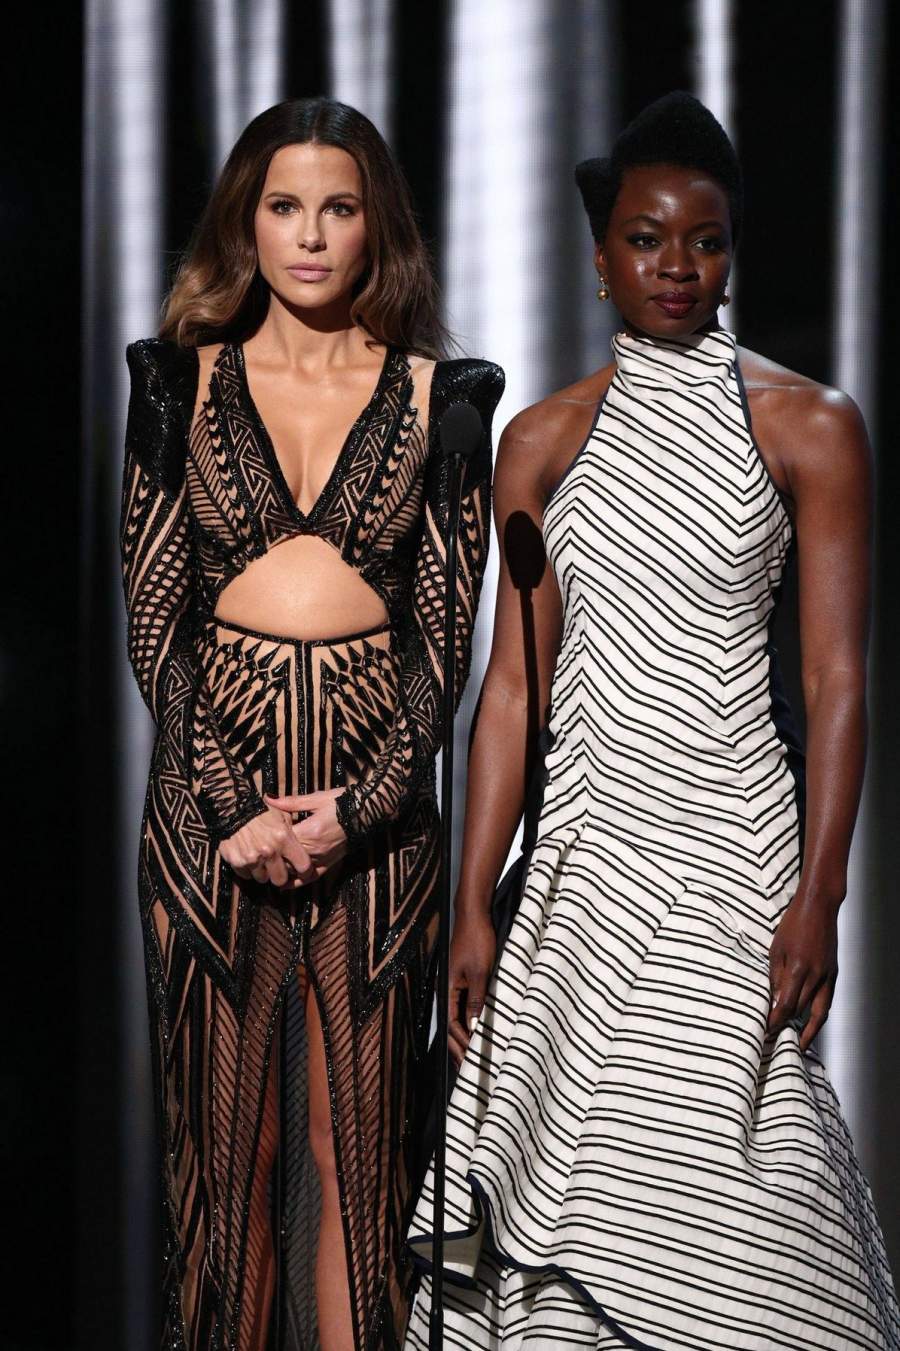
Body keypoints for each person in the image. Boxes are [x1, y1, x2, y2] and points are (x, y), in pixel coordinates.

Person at [405, 92, 900, 1350]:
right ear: (600, 255)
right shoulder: (540, 440)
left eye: (705, 239)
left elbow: (838, 675)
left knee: (746, 1189)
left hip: (736, 854)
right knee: (565, 1201)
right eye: (646, 238)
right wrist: (474, 899)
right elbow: (511, 687)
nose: (677, 264)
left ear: (732, 252)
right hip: (584, 862)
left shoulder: (810, 425)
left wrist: (822, 892)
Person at [120, 96, 503, 1351]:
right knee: (223, 1164)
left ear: (375, 225)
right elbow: (155, 618)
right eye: (285, 206)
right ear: (248, 221)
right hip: (208, 815)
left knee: (365, 1163)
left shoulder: (446, 398)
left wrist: (363, 805)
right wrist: (234, 809)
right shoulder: (176, 382)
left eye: (340, 207)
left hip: (377, 820)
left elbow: (443, 640)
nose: (312, 235)